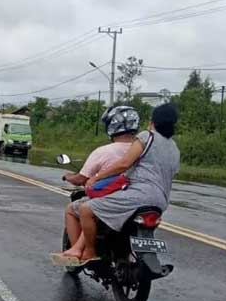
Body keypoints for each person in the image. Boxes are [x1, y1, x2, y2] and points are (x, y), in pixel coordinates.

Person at [76, 103, 181, 264]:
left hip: (138, 196)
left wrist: (97, 178)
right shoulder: (174, 147)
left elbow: (124, 164)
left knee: (85, 209)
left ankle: (89, 251)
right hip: (161, 201)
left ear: (154, 121)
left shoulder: (147, 136)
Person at [59, 106, 140, 259]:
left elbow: (82, 179)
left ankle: (78, 252)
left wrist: (68, 176)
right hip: (137, 199)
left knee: (71, 209)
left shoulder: (104, 151)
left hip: (109, 200)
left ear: (111, 126)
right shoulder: (143, 150)